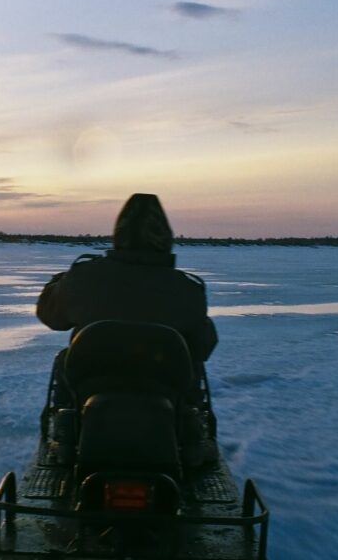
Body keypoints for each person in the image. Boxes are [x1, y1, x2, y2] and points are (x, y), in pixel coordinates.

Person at [36, 193, 218, 464]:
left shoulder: (85, 277)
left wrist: (58, 286)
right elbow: (203, 346)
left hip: (92, 381)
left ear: (118, 234)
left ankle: (64, 429)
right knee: (192, 366)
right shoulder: (188, 289)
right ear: (166, 236)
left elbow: (52, 317)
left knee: (65, 360)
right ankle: (193, 433)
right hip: (163, 387)